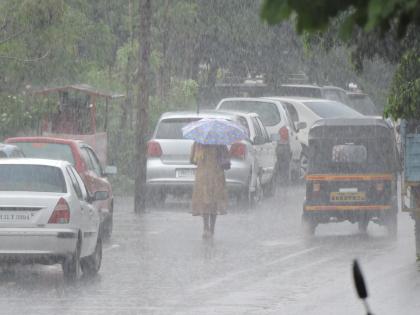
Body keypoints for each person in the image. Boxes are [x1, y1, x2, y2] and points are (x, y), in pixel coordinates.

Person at [190, 142, 229, 239]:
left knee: (205, 201)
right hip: (217, 175)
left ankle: (206, 228)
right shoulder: (220, 143)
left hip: (203, 176)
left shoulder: (198, 142)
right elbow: (226, 163)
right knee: (214, 202)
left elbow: (192, 160)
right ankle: (211, 229)